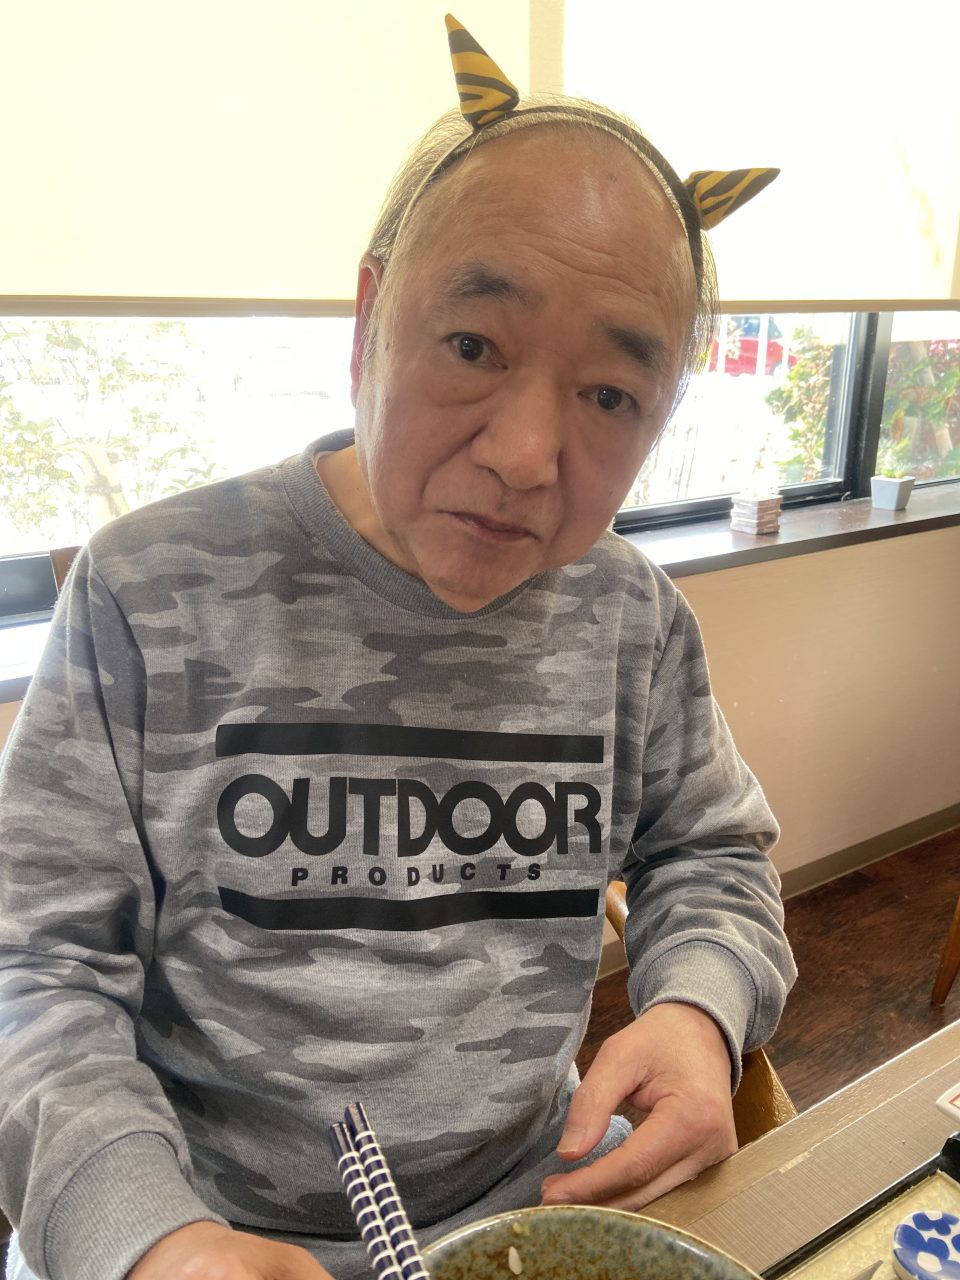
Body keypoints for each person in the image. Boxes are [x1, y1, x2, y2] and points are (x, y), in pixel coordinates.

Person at [0, 19, 795, 1280]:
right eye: (473, 345)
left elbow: (711, 850)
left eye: (609, 394)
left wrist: (700, 1004)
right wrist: (147, 1236)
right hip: (199, 1234)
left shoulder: (632, 619)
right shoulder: (149, 592)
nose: (524, 455)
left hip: (532, 1217)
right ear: (370, 316)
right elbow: (32, 968)